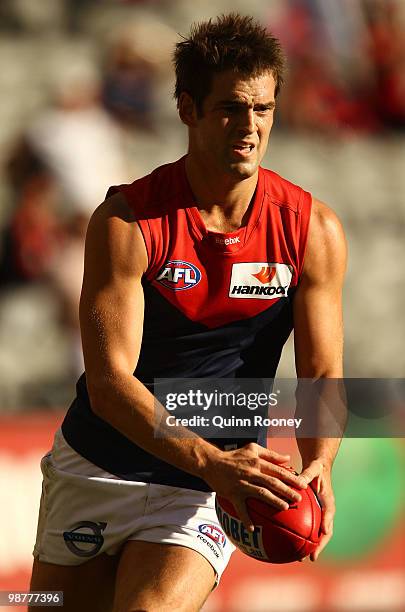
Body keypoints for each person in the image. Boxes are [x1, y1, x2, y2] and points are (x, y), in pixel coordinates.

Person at [30, 13, 347, 612]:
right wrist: (213, 460)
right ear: (187, 109)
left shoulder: (312, 229)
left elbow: (323, 374)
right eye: (230, 107)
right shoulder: (128, 222)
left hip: (208, 483)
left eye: (264, 108)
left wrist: (320, 462)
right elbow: (107, 385)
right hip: (99, 464)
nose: (249, 127)